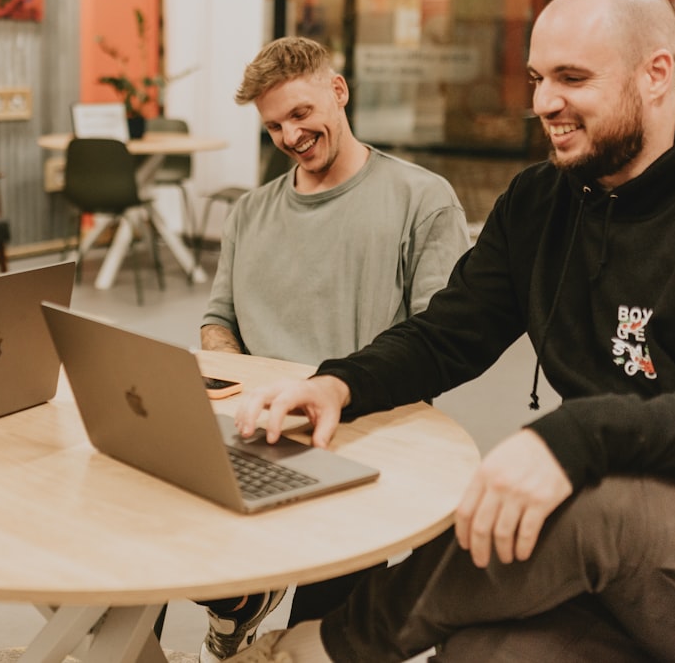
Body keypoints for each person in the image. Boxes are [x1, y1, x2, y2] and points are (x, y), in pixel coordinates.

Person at [223, 0, 675, 663]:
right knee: (479, 650)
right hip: (607, 552)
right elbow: (448, 333)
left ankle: (325, 647)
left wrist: (577, 436)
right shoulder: (540, 201)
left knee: (586, 500)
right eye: (537, 79)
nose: (546, 103)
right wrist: (337, 384)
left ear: (656, 73)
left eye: (572, 78)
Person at [197, 36, 471, 661]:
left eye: (300, 115)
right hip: (255, 422)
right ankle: (240, 601)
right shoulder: (249, 212)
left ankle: (261, 606)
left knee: (318, 627)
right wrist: (241, 385)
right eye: (273, 127)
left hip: (360, 431)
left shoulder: (422, 199)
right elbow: (217, 319)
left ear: (337, 91)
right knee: (145, 529)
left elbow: (439, 338)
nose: (290, 136)